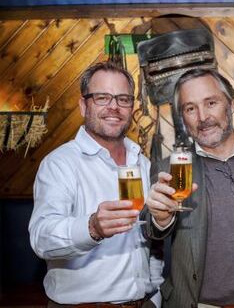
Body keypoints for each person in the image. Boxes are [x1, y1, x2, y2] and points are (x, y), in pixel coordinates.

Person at [142, 68, 234, 308]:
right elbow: (151, 226)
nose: (202, 117)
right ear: (183, 119)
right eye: (190, 108)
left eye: (211, 103)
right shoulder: (171, 167)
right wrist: (160, 219)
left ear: (232, 104)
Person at [29, 61, 163, 307]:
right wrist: (92, 228)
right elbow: (42, 239)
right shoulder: (60, 163)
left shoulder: (142, 163)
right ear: (83, 105)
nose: (114, 106)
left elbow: (151, 241)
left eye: (123, 99)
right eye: (102, 97)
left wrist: (155, 295)